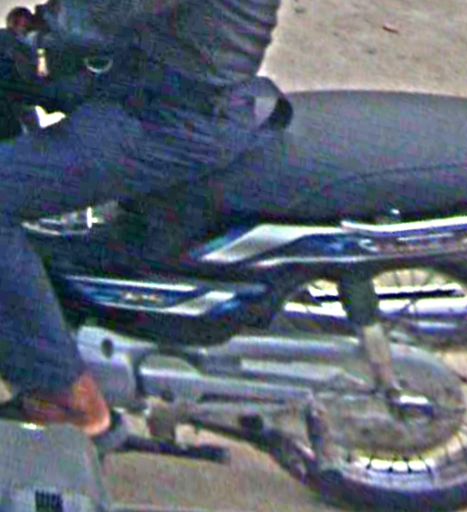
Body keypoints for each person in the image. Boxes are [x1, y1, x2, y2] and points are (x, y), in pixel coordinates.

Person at [0, 0, 282, 439]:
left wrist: (45, 32)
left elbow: (100, 16)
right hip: (132, 76)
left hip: (166, 115)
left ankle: (68, 398)